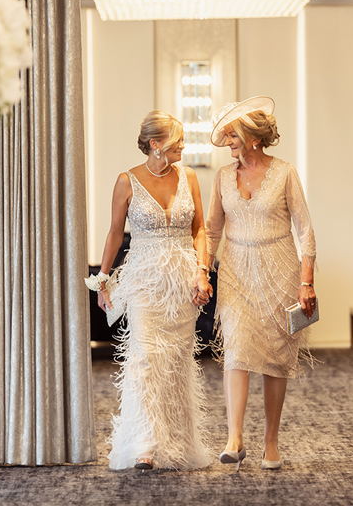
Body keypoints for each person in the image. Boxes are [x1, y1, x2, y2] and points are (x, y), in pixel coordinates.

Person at [85, 110, 213, 471]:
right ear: (155, 144)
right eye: (178, 141)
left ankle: (176, 442)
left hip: (182, 280)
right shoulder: (127, 181)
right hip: (143, 279)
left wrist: (202, 273)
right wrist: (103, 278)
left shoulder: (189, 177)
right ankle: (143, 443)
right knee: (144, 358)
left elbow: (200, 229)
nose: (184, 146)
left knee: (175, 361)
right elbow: (113, 233)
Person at [205, 96, 317, 471]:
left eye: (232, 135)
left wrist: (306, 282)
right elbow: (211, 231)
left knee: (275, 357)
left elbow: (305, 230)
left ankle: (271, 439)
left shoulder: (285, 173)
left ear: (251, 136)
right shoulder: (222, 177)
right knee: (235, 346)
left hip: (280, 269)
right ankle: (234, 436)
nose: (228, 142)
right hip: (235, 269)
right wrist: (203, 271)